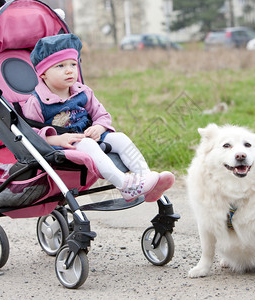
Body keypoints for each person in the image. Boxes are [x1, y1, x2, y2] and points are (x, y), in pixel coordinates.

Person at [22, 33, 174, 202]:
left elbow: (102, 115)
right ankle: (125, 185)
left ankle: (145, 179)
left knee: (120, 139)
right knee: (86, 143)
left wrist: (100, 127)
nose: (69, 70)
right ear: (43, 74)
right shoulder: (36, 102)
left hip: (90, 135)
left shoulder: (82, 92)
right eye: (60, 66)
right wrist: (56, 140)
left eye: (73, 64)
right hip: (63, 147)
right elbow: (30, 134)